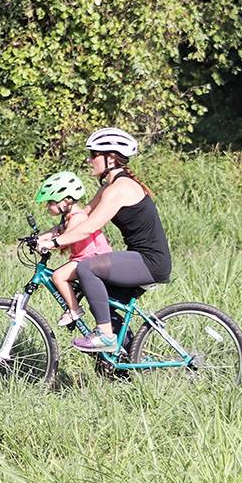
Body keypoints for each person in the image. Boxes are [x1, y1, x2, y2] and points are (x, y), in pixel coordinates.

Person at [37, 128, 172, 353]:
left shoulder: (121, 188)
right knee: (99, 300)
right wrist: (45, 236)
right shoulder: (108, 186)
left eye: (93, 155)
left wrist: (55, 244)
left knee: (87, 268)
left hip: (150, 261)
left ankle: (105, 336)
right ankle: (124, 366)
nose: (89, 160)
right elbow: (82, 216)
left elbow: (90, 227)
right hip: (139, 258)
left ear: (110, 157)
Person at [33, 171, 112, 327]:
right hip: (84, 259)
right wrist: (37, 239)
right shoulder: (69, 217)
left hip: (94, 258)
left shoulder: (78, 217)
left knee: (58, 276)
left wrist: (48, 244)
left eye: (50, 202)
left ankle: (75, 310)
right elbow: (56, 231)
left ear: (65, 201)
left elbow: (63, 240)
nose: (48, 206)